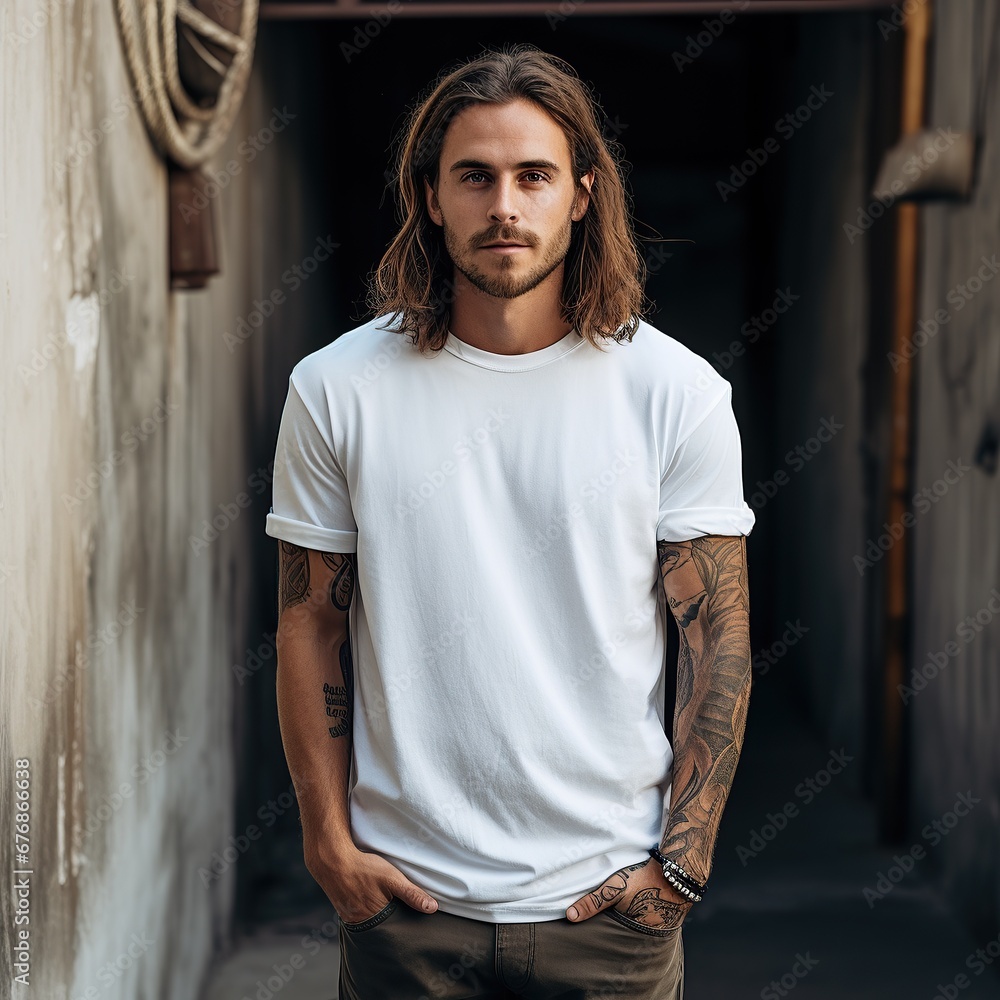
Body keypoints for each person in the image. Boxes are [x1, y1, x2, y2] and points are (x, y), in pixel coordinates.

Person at [264, 42, 755, 1000]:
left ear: (581, 192)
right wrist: (329, 848)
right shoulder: (335, 391)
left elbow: (718, 636)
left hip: (607, 919)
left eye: (533, 176)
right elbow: (310, 619)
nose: (504, 206)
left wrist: (679, 872)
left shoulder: (675, 393)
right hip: (408, 910)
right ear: (430, 196)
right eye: (474, 177)